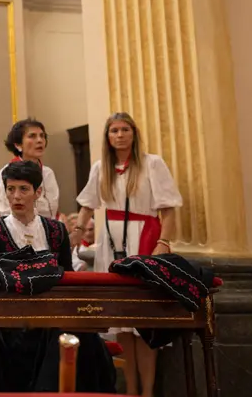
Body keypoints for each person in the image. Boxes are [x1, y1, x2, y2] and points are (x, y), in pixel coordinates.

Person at [0, 161, 114, 392]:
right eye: (11, 189)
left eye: (23, 189)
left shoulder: (55, 230)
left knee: (82, 333)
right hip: (13, 321)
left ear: (38, 192)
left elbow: (68, 276)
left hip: (54, 313)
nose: (16, 196)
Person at [72, 112, 182, 397]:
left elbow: (168, 210)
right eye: (114, 131)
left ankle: (148, 391)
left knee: (143, 322)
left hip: (143, 238)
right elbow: (86, 205)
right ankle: (130, 389)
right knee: (122, 320)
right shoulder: (101, 168)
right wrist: (76, 233)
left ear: (134, 133)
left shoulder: (152, 164)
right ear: (107, 137)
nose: (119, 135)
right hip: (111, 242)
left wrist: (164, 242)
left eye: (124, 130)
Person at [0, 118, 59, 219]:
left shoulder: (47, 172)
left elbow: (53, 209)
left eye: (42, 136)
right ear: (18, 145)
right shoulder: (6, 172)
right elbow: (5, 211)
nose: (40, 140)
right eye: (32, 136)